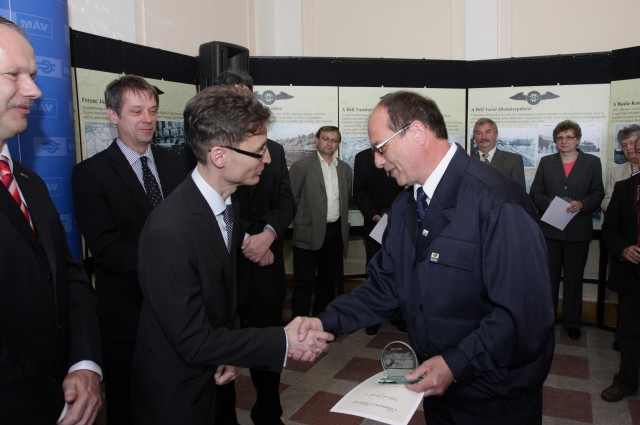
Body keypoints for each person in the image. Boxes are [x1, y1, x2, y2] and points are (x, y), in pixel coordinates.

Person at [299, 91, 555, 425]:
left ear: (417, 132)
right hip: (438, 386)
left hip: (495, 395)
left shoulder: (496, 202)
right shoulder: (406, 205)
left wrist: (456, 363)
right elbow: (386, 286)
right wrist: (324, 322)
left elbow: (524, 316)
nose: (377, 162)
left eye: (381, 148)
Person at [131, 85, 333, 425]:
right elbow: (192, 339)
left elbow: (221, 298)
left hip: (212, 370)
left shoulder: (229, 206)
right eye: (259, 151)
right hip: (177, 393)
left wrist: (226, 350)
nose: (267, 159)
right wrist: (282, 339)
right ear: (220, 156)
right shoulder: (170, 231)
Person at [0, 17, 103, 424]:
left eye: (33, 75)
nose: (35, 90)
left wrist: (85, 365)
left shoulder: (29, 182)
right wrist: (54, 407)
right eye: (14, 75)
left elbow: (69, 276)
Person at [72, 75, 190, 424]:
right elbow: (106, 246)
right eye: (137, 111)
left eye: (152, 110)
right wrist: (165, 267)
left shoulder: (174, 164)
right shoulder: (90, 174)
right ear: (113, 115)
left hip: (179, 307)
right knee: (128, 404)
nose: (148, 119)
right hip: (127, 312)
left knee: (177, 397)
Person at [214, 69, 296, 425]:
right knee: (221, 353)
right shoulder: (208, 150)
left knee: (268, 347)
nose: (241, 103)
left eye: (246, 96)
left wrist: (269, 235)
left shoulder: (273, 150)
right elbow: (215, 205)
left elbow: (286, 203)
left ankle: (268, 413)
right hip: (227, 268)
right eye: (233, 97)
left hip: (266, 265)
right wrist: (250, 239)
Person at [530, 120, 604, 340]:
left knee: (574, 279)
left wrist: (582, 204)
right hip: (550, 231)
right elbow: (536, 193)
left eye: (569, 137)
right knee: (549, 279)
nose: (564, 141)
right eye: (560, 138)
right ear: (556, 141)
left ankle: (572, 323)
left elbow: (598, 193)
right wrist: (553, 205)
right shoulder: (546, 162)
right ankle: (547, 320)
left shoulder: (592, 162)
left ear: (577, 140)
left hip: (578, 231)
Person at [289, 126, 352, 318]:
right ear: (316, 140)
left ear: (338, 144)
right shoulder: (301, 166)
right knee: (304, 283)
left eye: (334, 140)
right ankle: (299, 324)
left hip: (334, 233)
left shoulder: (345, 169)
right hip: (307, 233)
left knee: (327, 283)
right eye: (325, 138)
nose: (329, 143)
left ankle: (321, 321)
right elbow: (292, 200)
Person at [599, 136, 640, 402]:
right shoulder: (626, 189)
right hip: (632, 273)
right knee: (630, 332)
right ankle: (626, 381)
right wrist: (624, 249)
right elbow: (609, 230)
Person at [352, 147, 404, 335]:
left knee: (400, 270)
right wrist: (374, 215)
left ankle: (399, 315)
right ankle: (373, 316)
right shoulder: (362, 157)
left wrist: (399, 214)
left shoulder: (402, 151)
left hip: (402, 222)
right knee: (374, 270)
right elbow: (359, 191)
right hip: (374, 222)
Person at [471, 118, 525, 188]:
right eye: (479, 133)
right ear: (475, 137)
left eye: (488, 132)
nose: (483, 137)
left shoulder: (513, 161)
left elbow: (519, 193)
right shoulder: (468, 161)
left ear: (496, 135)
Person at [601, 124, 640, 212]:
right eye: (624, 145)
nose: (628, 148)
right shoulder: (616, 172)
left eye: (632, 143)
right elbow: (605, 204)